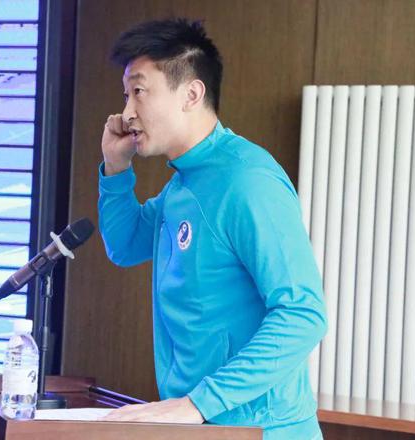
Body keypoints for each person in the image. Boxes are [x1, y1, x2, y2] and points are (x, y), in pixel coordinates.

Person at [97, 18, 327, 439]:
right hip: (205, 425)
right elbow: (126, 245)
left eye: (139, 92)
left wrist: (198, 403)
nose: (127, 113)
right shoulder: (182, 185)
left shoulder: (248, 179)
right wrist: (115, 168)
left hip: (263, 429)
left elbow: (303, 313)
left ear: (191, 93)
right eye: (126, 95)